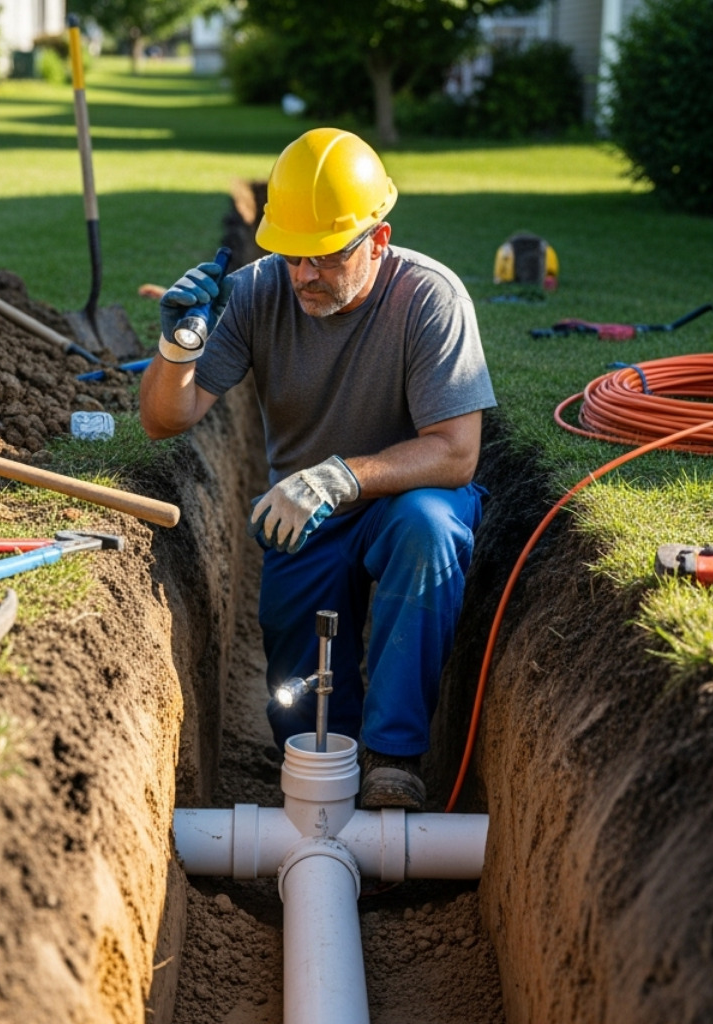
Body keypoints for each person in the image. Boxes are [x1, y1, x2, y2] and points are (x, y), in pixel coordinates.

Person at [138, 127, 495, 810]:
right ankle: (322, 763)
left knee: (427, 531)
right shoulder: (255, 291)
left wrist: (339, 477)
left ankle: (394, 757)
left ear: (378, 241)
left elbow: (457, 451)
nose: (304, 273)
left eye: (326, 256)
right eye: (292, 254)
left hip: (405, 499)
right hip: (305, 515)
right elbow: (164, 420)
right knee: (299, 707)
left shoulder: (430, 300)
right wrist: (179, 344)